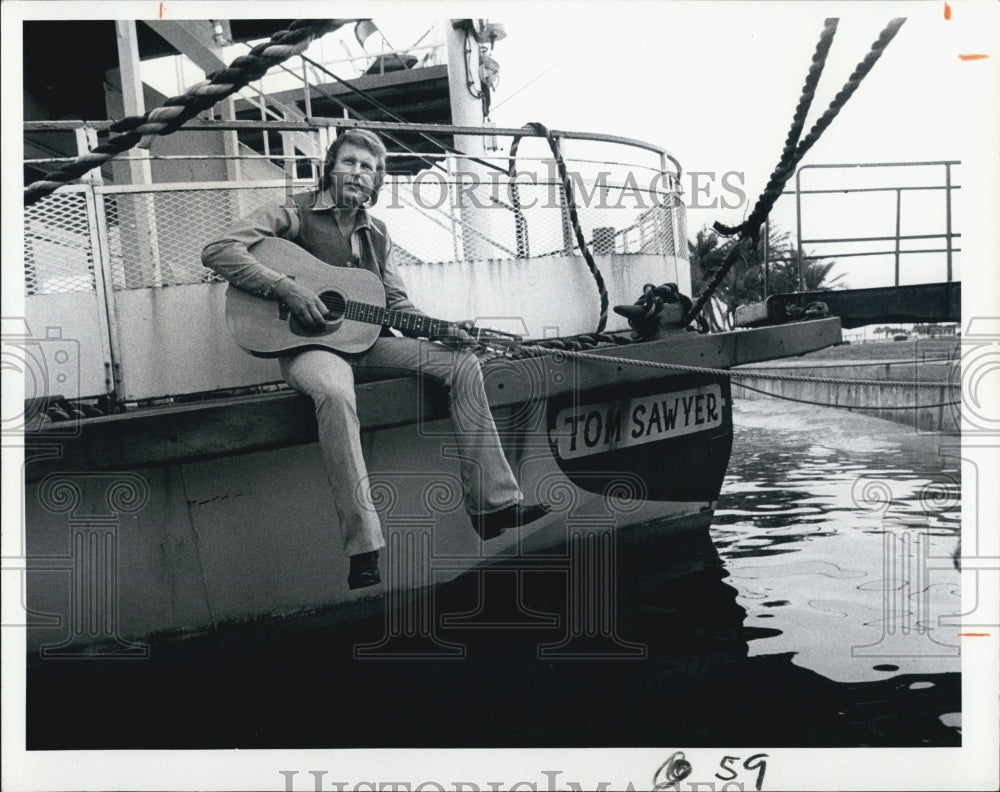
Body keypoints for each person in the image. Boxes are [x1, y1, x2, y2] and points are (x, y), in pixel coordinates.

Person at [202, 129, 548, 590]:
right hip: (309, 347)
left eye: (368, 168)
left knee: (462, 363)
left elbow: (395, 306)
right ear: (330, 167)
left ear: (377, 181)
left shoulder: (377, 235)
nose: (357, 173)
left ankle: (493, 505)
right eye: (349, 162)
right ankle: (364, 547)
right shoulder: (293, 211)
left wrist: (441, 329)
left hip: (369, 344)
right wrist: (285, 287)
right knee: (335, 393)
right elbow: (218, 249)